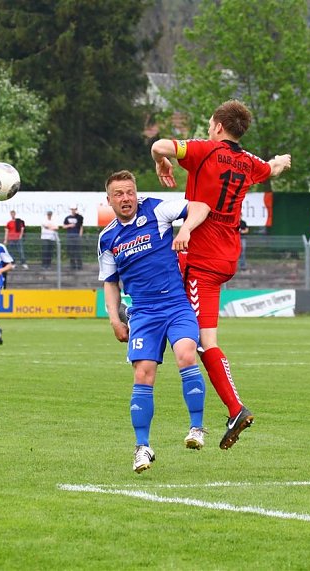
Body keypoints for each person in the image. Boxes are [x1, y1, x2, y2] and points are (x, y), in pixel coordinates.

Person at [151, 99, 291, 449]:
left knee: (204, 341)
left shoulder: (205, 150)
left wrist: (161, 161)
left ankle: (235, 407)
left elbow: (159, 145)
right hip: (226, 256)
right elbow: (271, 168)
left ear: (216, 126)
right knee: (177, 302)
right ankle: (141, 314)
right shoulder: (249, 162)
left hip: (202, 257)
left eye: (210, 125)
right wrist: (280, 161)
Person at [97, 170, 211, 473]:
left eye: (130, 192)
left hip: (175, 304)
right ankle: (142, 447)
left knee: (186, 354)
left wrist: (185, 230)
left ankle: (196, 428)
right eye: (119, 194)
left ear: (137, 193)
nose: (126, 198)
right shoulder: (108, 238)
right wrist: (114, 319)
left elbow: (201, 207)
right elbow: (110, 282)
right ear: (109, 200)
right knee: (143, 374)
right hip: (144, 314)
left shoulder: (157, 209)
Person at [63, 205, 83, 270]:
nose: (73, 210)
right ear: (71, 210)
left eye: (74, 209)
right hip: (70, 236)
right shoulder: (67, 218)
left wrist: (80, 235)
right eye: (72, 209)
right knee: (71, 251)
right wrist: (70, 225)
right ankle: (73, 266)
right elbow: (64, 226)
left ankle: (79, 266)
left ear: (76, 210)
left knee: (78, 252)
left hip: (77, 236)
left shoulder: (79, 217)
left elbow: (81, 227)